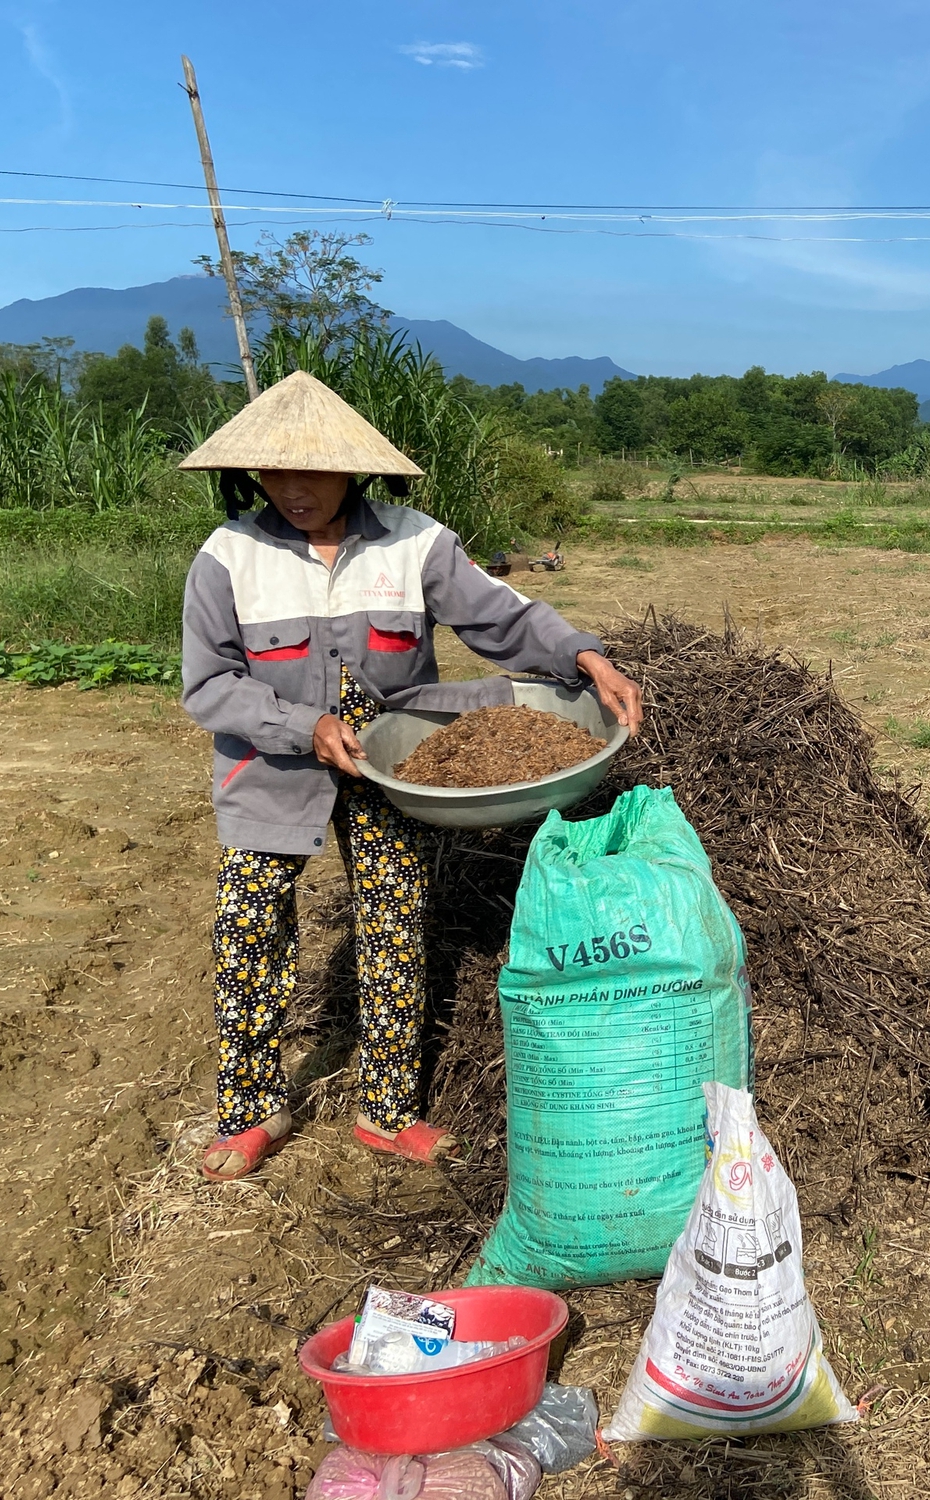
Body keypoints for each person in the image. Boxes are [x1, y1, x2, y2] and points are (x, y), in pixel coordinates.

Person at [177, 370, 642, 1181]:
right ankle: (253, 1111)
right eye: (275, 473)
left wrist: (584, 654)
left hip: (393, 767)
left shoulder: (413, 542)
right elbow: (208, 684)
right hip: (270, 769)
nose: (294, 489)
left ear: (355, 469)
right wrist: (302, 725)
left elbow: (505, 616)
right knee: (248, 924)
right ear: (249, 474)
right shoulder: (228, 558)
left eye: (314, 471)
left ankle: (387, 1110)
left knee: (396, 919)